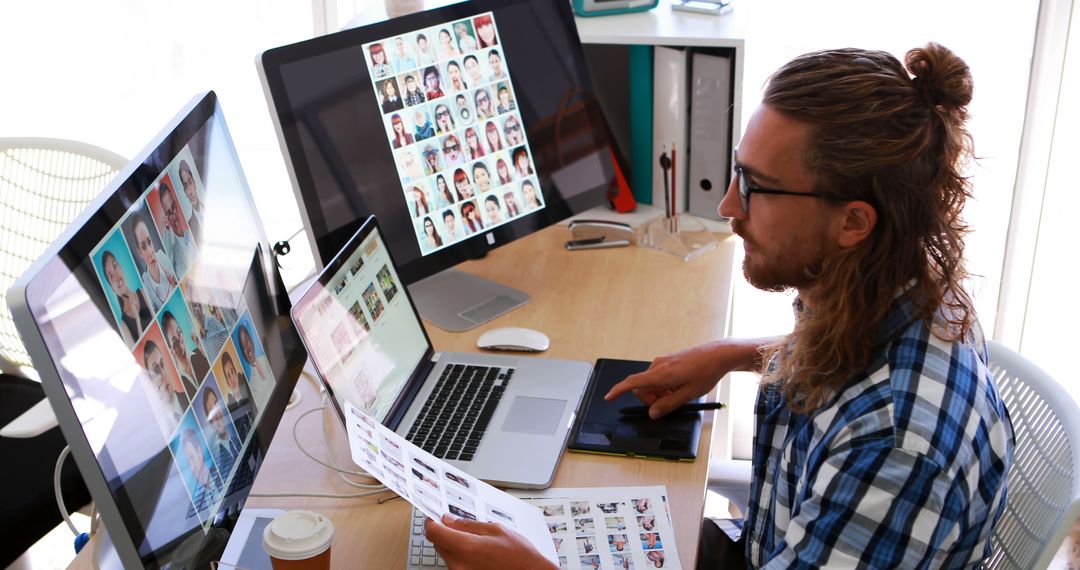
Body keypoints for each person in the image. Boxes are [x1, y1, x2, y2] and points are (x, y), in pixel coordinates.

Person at [426, 43, 1014, 569]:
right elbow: (857, 368)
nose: (730, 206)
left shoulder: (896, 451)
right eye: (738, 171)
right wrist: (730, 354)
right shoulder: (889, 283)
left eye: (757, 187)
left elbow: (877, 407)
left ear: (853, 222)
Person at [100, 249, 152, 345]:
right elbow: (142, 352)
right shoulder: (124, 326)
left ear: (121, 268)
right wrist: (137, 318)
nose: (116, 275)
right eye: (111, 276)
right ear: (112, 289)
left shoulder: (142, 292)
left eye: (115, 266)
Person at [130, 214, 177, 311]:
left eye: (149, 241)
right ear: (140, 253)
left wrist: (176, 285)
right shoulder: (146, 285)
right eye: (143, 247)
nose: (150, 251)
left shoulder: (164, 258)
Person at [162, 309, 210, 390]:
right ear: (170, 348)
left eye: (179, 332)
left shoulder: (200, 353)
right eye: (174, 341)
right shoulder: (177, 381)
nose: (179, 340)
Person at [143, 338, 188, 425]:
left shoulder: (189, 396)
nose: (163, 373)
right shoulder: (159, 422)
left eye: (162, 363)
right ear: (151, 381)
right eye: (156, 370)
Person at [159, 181, 198, 277]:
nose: (173, 215)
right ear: (166, 217)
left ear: (176, 204)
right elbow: (167, 263)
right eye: (169, 213)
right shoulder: (173, 254)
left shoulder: (191, 232)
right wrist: (166, 231)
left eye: (173, 207)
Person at [178, 427, 222, 509]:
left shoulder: (222, 471)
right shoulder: (198, 503)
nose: (192, 468)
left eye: (192, 457)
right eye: (188, 463)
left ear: (199, 451)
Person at [202, 388, 240, 478]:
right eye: (212, 413)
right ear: (210, 423)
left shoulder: (239, 435)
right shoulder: (218, 466)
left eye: (216, 405)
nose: (218, 415)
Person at [237, 323, 274, 408]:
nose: (247, 348)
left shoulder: (267, 357)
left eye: (247, 341)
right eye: (243, 347)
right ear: (243, 354)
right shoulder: (252, 385)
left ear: (251, 340)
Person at [178, 160, 204, 242]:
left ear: (194, 183)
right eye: (185, 186)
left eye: (190, 182)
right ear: (184, 191)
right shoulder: (189, 228)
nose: (190, 191)